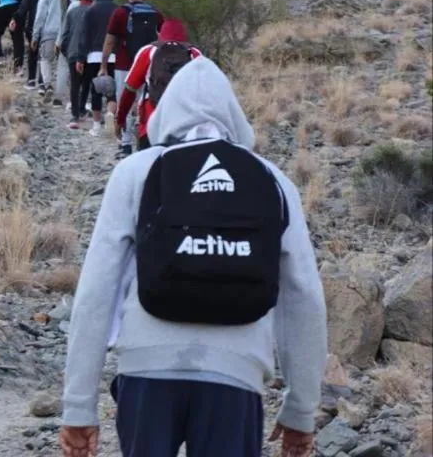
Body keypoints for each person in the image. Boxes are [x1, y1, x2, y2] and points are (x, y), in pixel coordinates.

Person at [60, 58, 327, 457]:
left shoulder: (136, 172)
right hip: (235, 378)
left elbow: (97, 289)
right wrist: (301, 411)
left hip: (146, 374)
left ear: (166, 110)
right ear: (234, 114)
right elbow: (304, 296)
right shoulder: (273, 181)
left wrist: (79, 406)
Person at [116, 18, 202, 156]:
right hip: (185, 126)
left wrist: (120, 119)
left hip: (151, 123)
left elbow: (129, 91)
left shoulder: (148, 51)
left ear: (159, 34)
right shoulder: (195, 54)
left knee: (149, 171)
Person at [101, 0, 163, 153]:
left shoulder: (120, 13)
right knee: (145, 101)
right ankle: (144, 139)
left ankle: (126, 143)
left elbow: (109, 41)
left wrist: (104, 64)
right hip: (148, 64)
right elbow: (162, 39)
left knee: (124, 101)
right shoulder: (155, 13)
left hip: (124, 64)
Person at [78, 0, 118, 138]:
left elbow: (84, 36)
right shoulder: (118, 10)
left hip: (93, 56)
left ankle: (96, 126)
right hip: (114, 56)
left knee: (96, 91)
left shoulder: (90, 11)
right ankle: (110, 113)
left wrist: (81, 58)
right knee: (112, 90)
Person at [31, 0, 78, 103]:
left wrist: (35, 36)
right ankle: (59, 95)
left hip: (50, 32)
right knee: (63, 64)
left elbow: (40, 17)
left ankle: (47, 85)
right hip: (70, 34)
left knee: (45, 59)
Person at [59, 0, 97, 129]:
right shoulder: (95, 12)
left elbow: (65, 34)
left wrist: (66, 52)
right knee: (87, 82)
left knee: (75, 84)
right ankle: (82, 108)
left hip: (73, 52)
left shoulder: (72, 11)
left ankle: (74, 114)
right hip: (90, 53)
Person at [11, 0, 56, 89]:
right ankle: (42, 83)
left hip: (32, 25)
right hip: (50, 28)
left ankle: (31, 81)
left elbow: (24, 7)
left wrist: (15, 18)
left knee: (33, 52)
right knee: (45, 56)